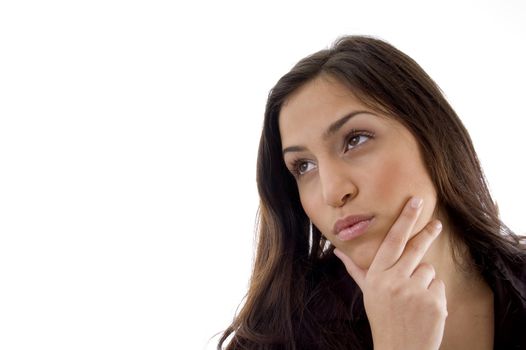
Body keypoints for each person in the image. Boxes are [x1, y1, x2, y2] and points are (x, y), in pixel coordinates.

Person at [218, 35, 526, 350]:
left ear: (432, 137)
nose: (332, 192)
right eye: (304, 167)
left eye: (356, 140)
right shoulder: (274, 340)